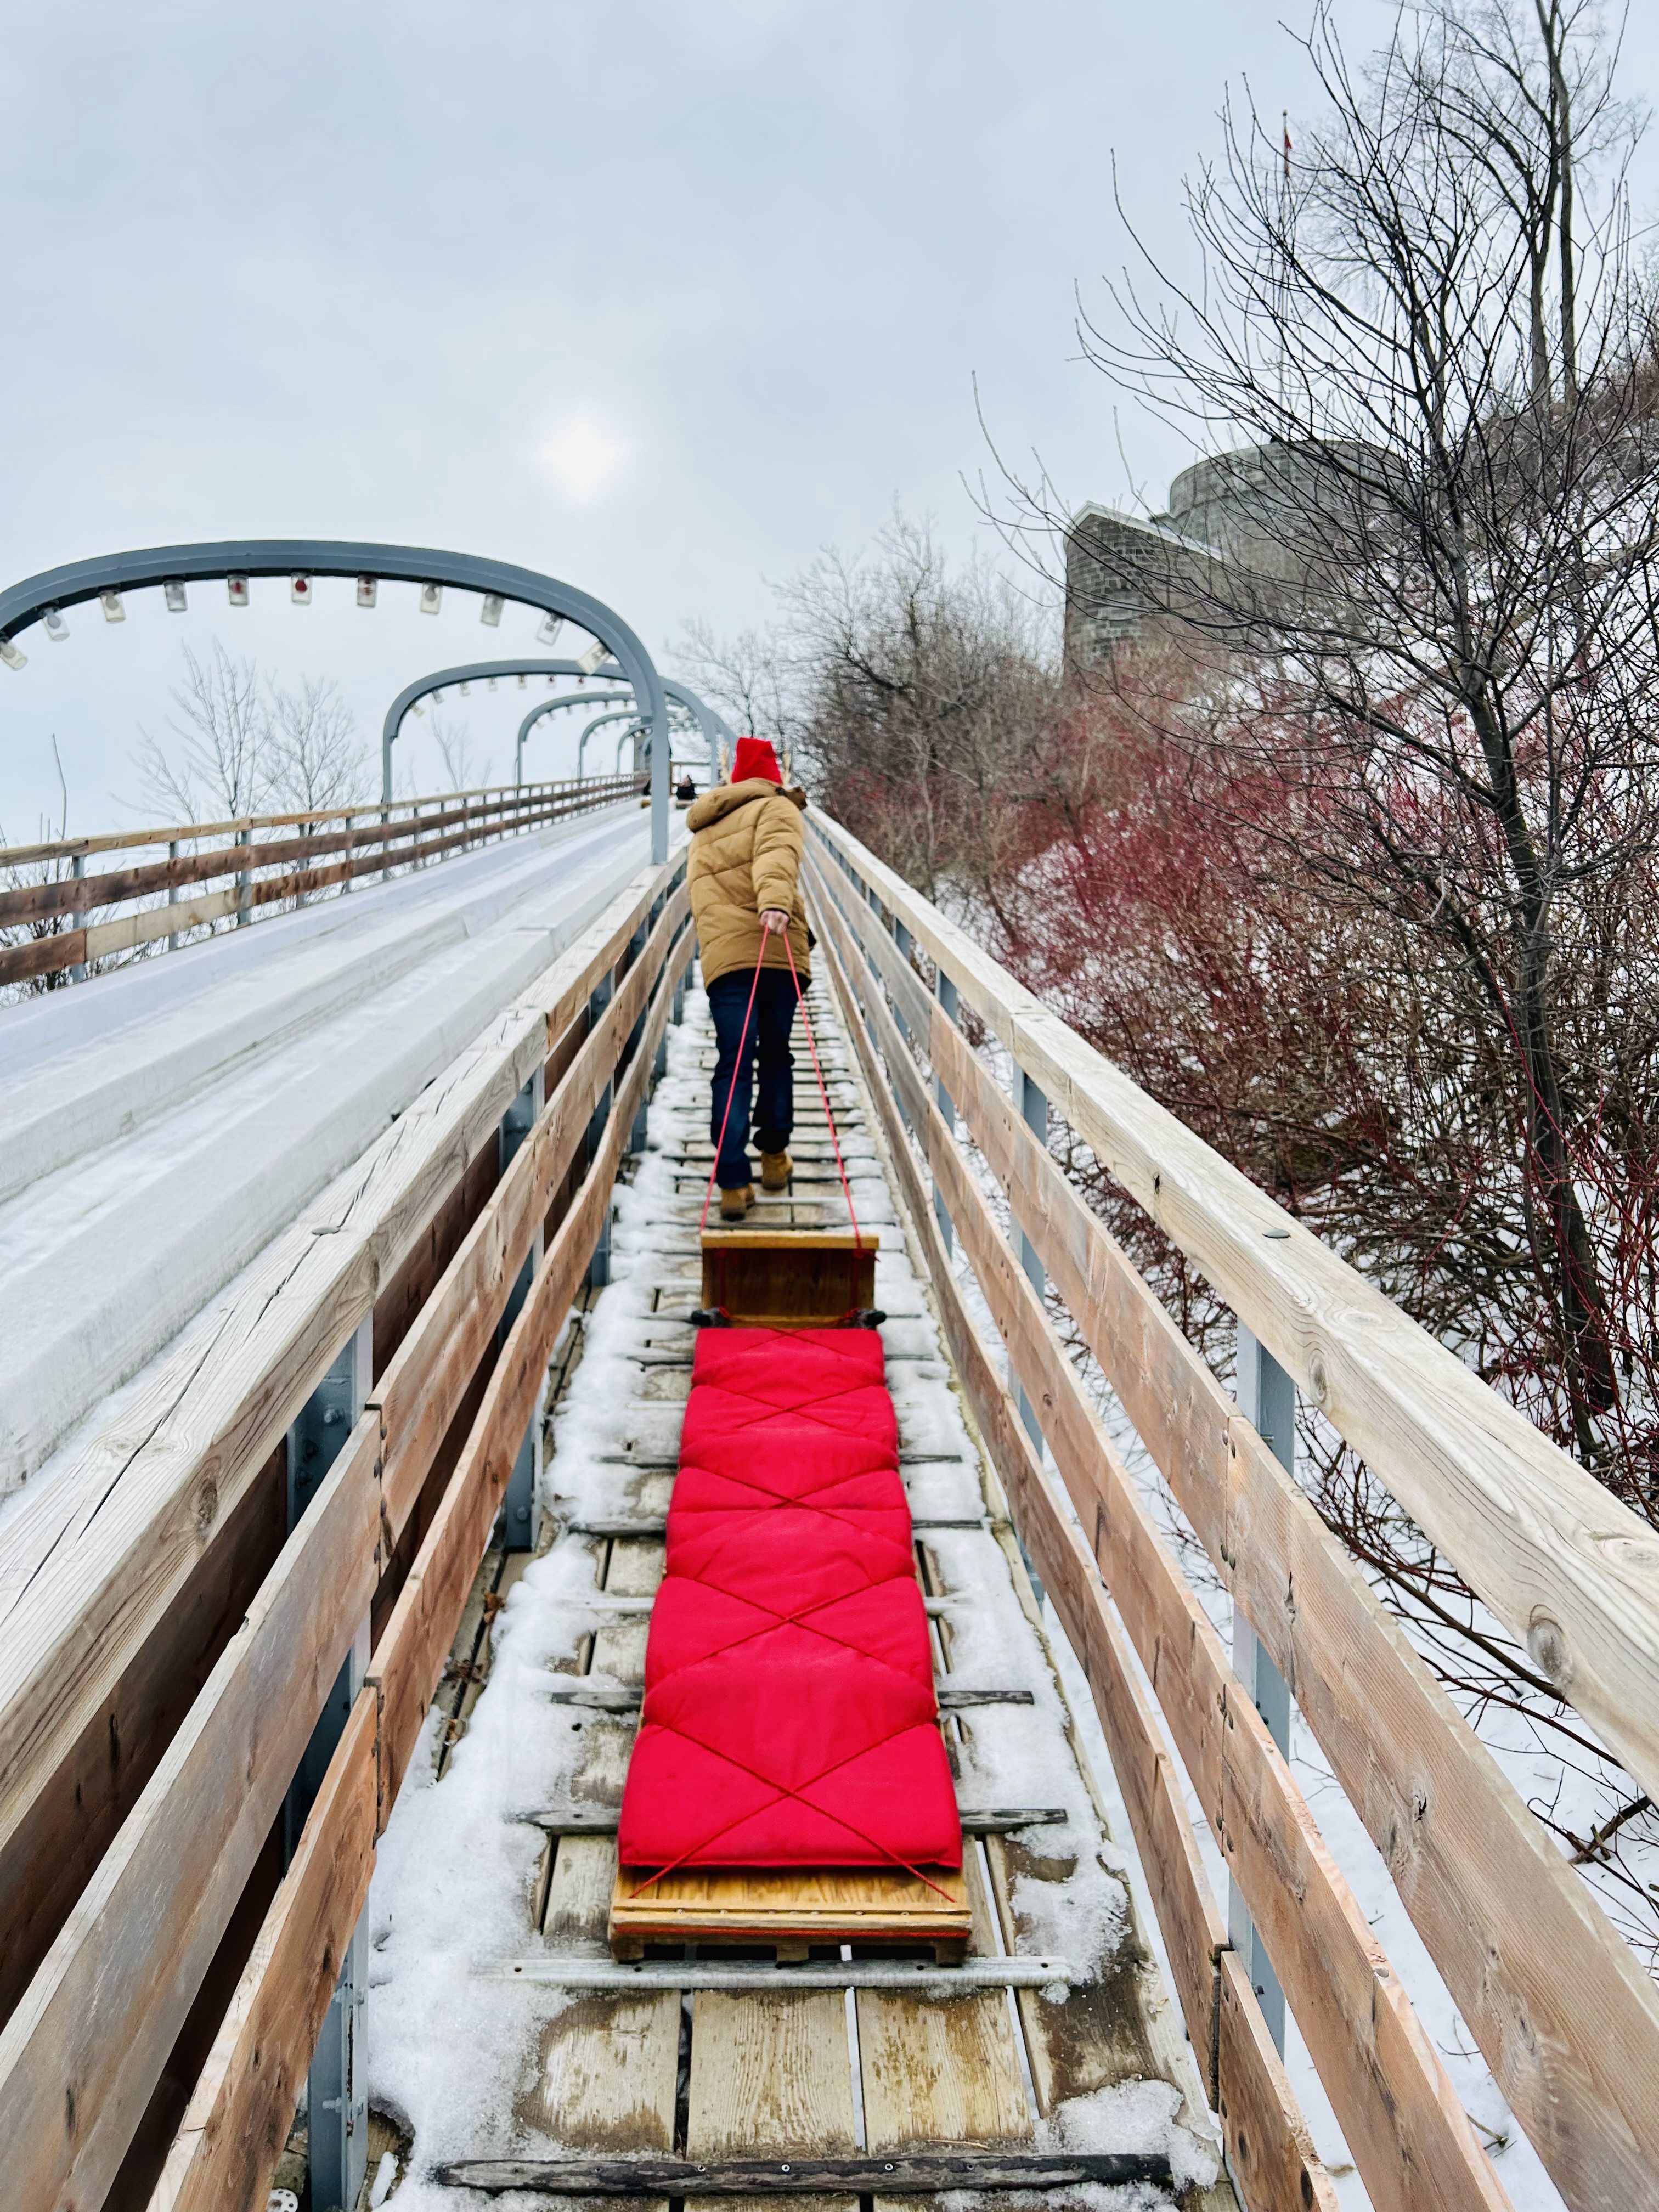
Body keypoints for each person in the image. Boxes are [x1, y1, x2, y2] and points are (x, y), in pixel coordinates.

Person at [685, 735, 810, 1220]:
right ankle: (775, 1159)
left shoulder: (705, 827)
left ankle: (733, 1183)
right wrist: (775, 902)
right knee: (775, 1056)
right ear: (771, 777)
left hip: (724, 961)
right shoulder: (776, 808)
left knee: (733, 1063)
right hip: (772, 949)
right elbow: (777, 856)